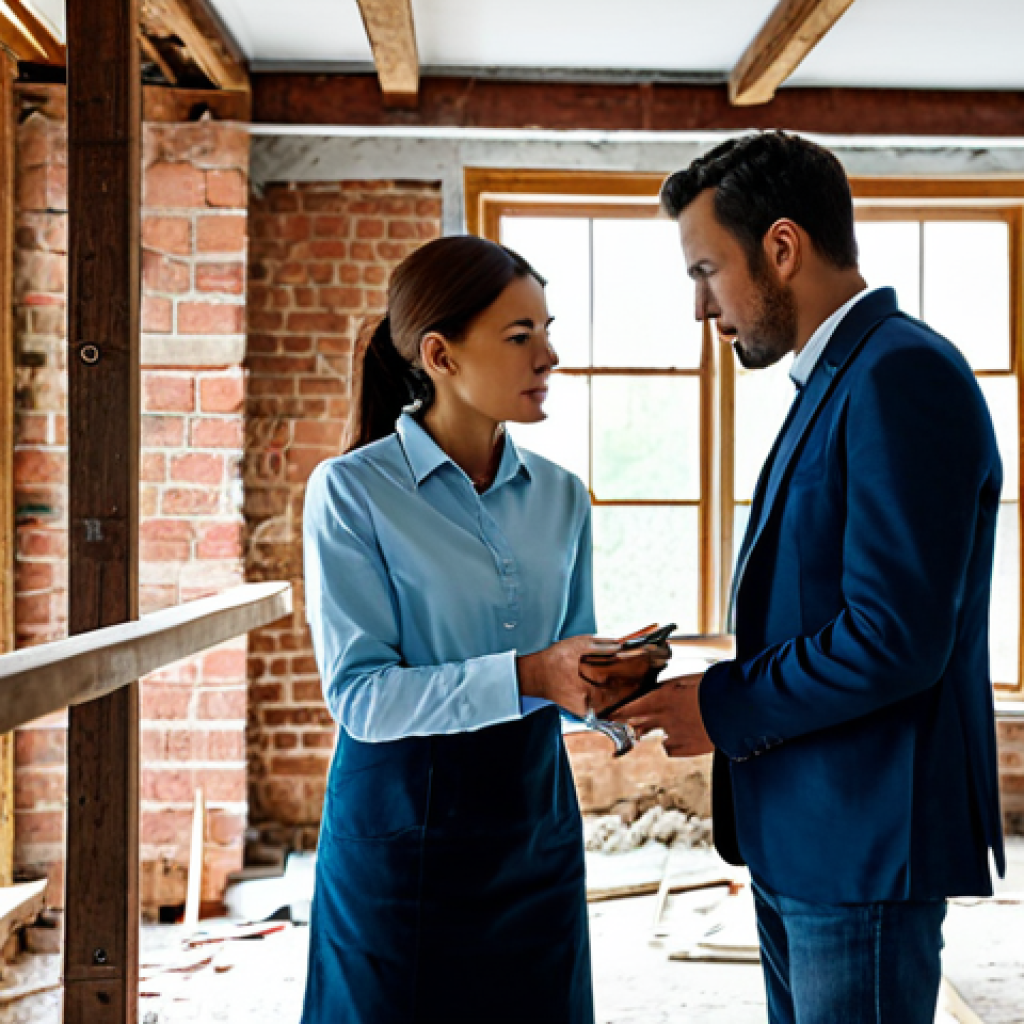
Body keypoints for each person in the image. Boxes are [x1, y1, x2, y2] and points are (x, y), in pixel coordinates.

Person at [614, 132, 1005, 1023]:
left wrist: (720, 704)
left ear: (782, 248)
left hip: (862, 844)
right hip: (807, 835)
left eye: (706, 271)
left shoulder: (900, 374)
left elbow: (893, 636)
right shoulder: (839, 376)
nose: (701, 308)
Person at [300, 235, 652, 1024]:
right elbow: (361, 698)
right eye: (521, 336)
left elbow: (567, 673)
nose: (550, 356)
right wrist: (532, 674)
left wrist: (609, 687)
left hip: (532, 822)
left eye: (548, 331)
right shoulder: (352, 492)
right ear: (440, 354)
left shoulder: (561, 497)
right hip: (398, 829)